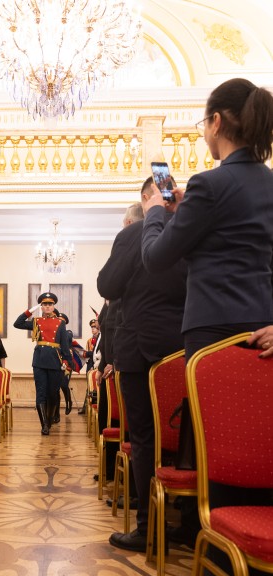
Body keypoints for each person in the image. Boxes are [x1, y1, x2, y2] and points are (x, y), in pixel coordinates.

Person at [141, 78, 273, 576]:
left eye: (203, 123)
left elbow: (157, 258)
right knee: (261, 450)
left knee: (214, 456)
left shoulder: (208, 185)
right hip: (263, 330)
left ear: (217, 121)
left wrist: (156, 210)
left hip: (213, 329)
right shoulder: (268, 184)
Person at [97, 175, 187, 553]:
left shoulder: (133, 235)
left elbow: (107, 285)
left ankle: (149, 526)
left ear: (146, 198)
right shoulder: (190, 229)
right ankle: (189, 521)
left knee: (144, 437)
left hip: (138, 349)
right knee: (188, 434)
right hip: (183, 348)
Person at [14, 292, 72, 435]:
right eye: (44, 304)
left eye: (50, 304)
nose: (47, 306)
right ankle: (44, 425)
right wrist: (30, 310)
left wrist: (66, 361)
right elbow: (18, 323)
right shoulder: (37, 321)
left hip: (55, 361)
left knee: (52, 394)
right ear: (41, 306)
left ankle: (50, 418)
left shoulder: (60, 323)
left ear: (53, 306)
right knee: (41, 393)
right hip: (39, 361)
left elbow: (64, 345)